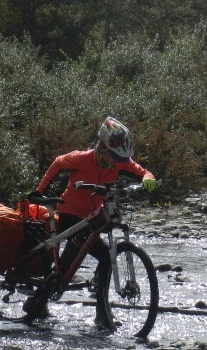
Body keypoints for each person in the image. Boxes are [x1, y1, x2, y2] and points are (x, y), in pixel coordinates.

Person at [23, 117, 156, 321]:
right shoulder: (82, 158)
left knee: (95, 254)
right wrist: (39, 191)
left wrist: (148, 178)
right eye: (111, 156)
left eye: (117, 158)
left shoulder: (120, 163)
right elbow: (58, 163)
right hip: (70, 214)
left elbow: (142, 171)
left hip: (92, 217)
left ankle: (40, 301)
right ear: (101, 147)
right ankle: (98, 312)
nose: (114, 162)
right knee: (96, 254)